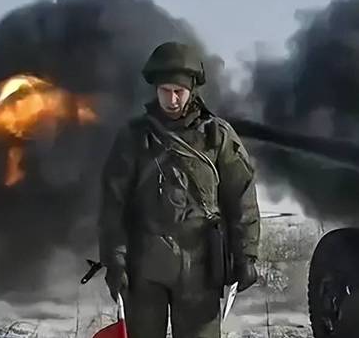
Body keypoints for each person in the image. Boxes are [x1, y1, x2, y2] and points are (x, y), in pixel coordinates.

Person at [98, 41, 261, 338]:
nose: (172, 99)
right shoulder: (134, 137)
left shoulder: (216, 136)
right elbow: (113, 203)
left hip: (201, 269)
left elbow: (242, 196)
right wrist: (115, 260)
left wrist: (246, 255)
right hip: (144, 267)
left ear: (192, 90)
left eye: (179, 91)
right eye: (165, 91)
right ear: (155, 90)